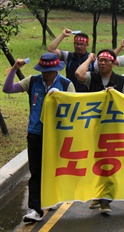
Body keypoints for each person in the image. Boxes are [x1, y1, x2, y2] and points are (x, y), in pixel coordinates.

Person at [3, 53, 75, 223]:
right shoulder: (33, 81)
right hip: (35, 133)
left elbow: (75, 109)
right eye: (43, 70)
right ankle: (35, 209)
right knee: (35, 172)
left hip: (57, 135)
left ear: (56, 70)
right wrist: (14, 69)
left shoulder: (66, 84)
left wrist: (61, 99)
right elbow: (8, 89)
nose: (46, 74)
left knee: (53, 169)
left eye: (49, 71)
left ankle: (51, 197)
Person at [74, 49, 124, 214]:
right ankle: (97, 195)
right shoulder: (93, 77)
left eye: (106, 61)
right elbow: (78, 73)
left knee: (110, 163)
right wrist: (89, 59)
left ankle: (106, 200)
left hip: (113, 129)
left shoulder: (121, 81)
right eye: (100, 60)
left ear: (113, 63)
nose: (103, 64)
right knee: (95, 162)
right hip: (94, 127)